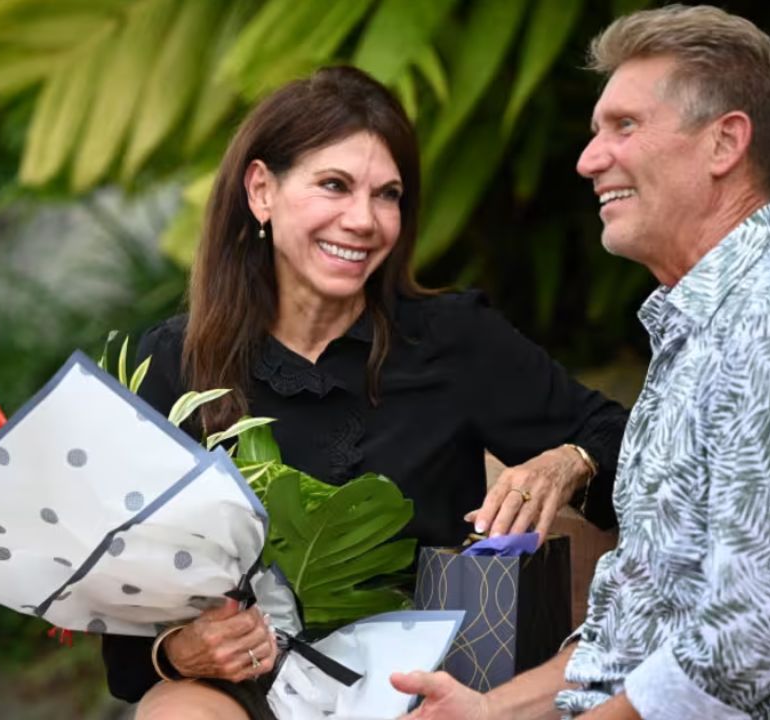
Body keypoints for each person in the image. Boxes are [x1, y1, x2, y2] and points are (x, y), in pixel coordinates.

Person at [391, 5, 770, 719]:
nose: (587, 159)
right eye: (594, 132)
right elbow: (638, 627)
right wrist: (489, 714)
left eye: (625, 127)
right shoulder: (707, 327)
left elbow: (743, 648)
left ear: (724, 143)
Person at [100, 66, 629, 719]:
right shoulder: (173, 364)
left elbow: (632, 445)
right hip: (246, 693)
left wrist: (569, 459)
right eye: (334, 185)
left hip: (426, 690)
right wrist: (182, 651)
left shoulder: (453, 340)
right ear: (261, 190)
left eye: (388, 195)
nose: (363, 220)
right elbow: (125, 629)